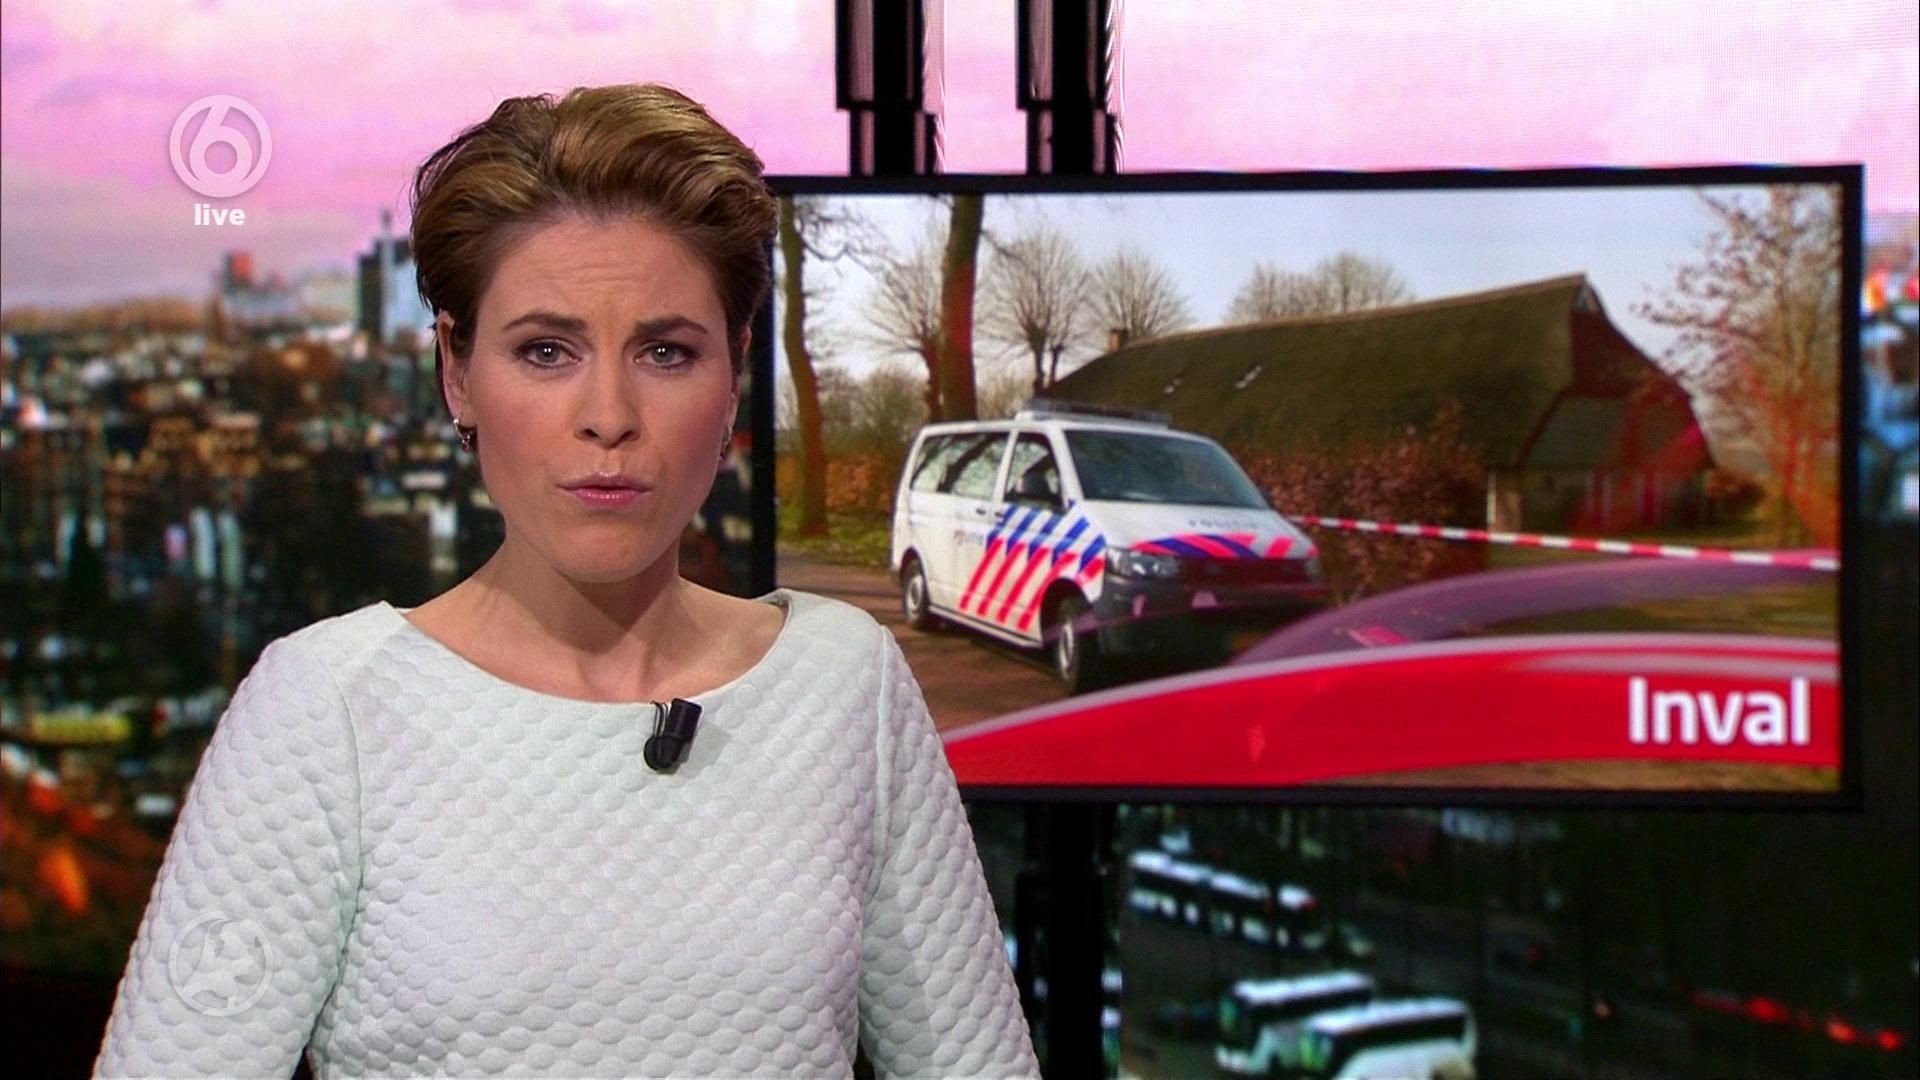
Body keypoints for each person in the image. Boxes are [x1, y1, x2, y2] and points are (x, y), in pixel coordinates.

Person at [93, 83, 1039, 1079]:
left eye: (666, 352)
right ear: (458, 372)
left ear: (733, 375)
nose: (609, 415)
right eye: (546, 351)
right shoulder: (327, 712)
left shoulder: (845, 683)